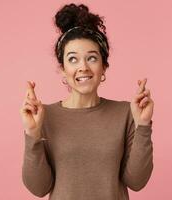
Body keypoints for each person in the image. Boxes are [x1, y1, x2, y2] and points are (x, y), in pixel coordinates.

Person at [19, 3, 154, 200]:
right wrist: (32, 134)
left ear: (104, 67)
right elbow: (38, 188)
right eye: (73, 59)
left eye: (91, 58)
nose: (83, 67)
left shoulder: (126, 113)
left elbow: (137, 181)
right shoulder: (44, 116)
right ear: (63, 69)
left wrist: (143, 126)